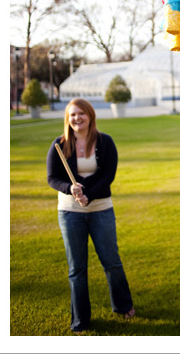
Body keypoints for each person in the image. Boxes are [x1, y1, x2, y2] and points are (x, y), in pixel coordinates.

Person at [46, 98, 135, 333]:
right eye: (72, 115)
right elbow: (52, 178)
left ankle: (123, 305)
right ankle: (81, 319)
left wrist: (90, 196)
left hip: (101, 209)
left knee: (111, 261)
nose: (77, 118)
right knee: (77, 268)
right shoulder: (59, 144)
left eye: (81, 114)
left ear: (90, 116)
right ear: (68, 118)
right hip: (69, 211)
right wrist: (69, 188)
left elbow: (108, 175)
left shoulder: (105, 142)